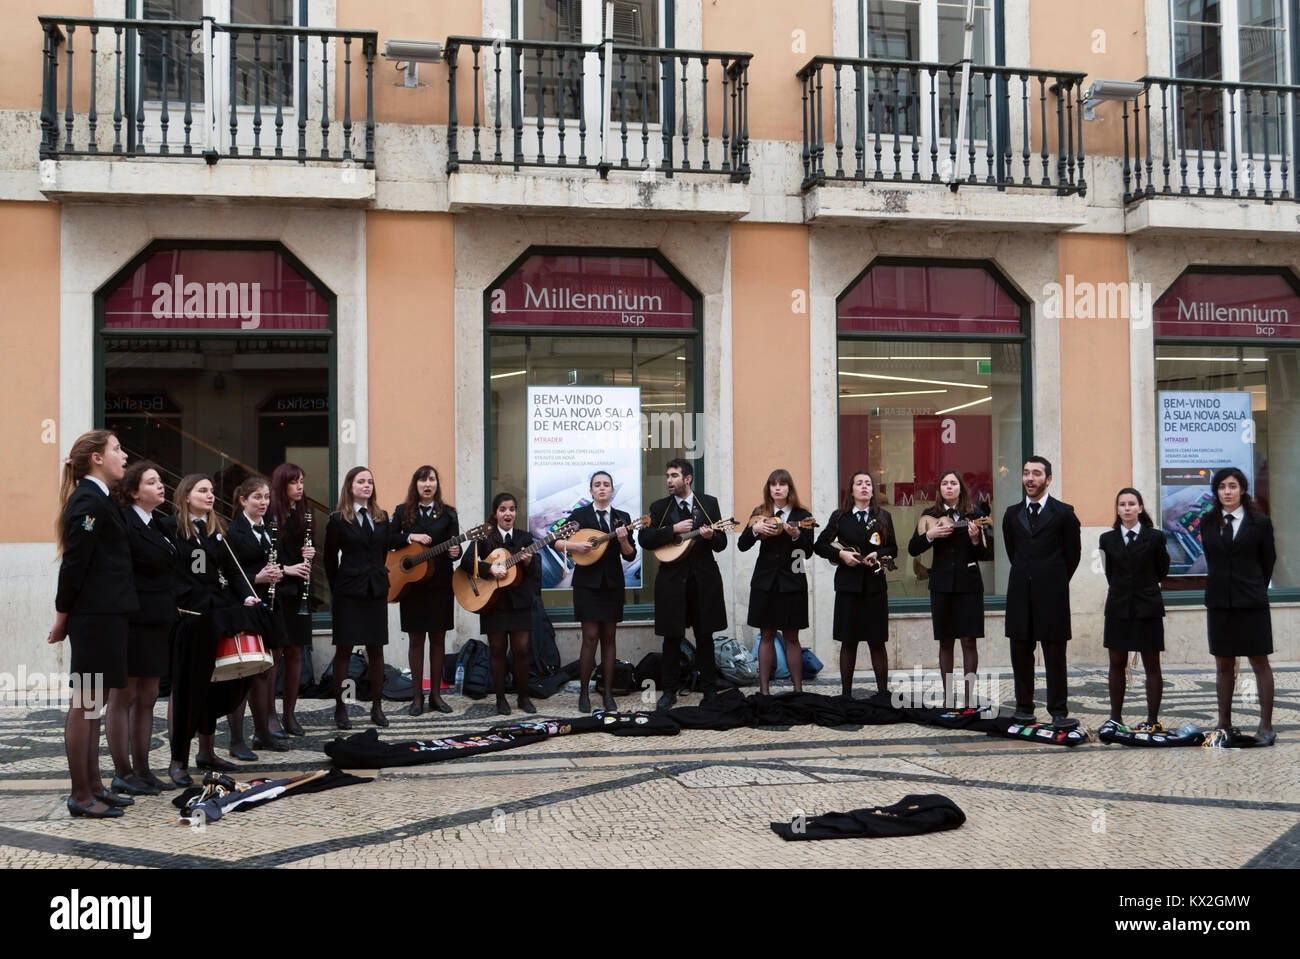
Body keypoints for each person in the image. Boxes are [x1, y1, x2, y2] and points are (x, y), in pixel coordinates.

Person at [48, 430, 137, 818]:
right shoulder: (87, 499)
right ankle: (80, 795)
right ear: (97, 459)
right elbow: (74, 564)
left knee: (94, 705)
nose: (123, 454)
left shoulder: (101, 499)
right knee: (85, 705)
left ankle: (96, 786)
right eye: (116, 448)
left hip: (107, 614)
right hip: (94, 617)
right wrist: (62, 615)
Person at [167, 474, 263, 788]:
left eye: (211, 491)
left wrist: (246, 594)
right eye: (203, 490)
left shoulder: (216, 533)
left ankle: (206, 753)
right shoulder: (173, 530)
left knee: (215, 687)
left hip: (215, 615)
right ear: (186, 495)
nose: (210, 496)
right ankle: (177, 761)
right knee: (189, 692)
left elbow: (233, 571)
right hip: (190, 618)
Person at [108, 461, 178, 796]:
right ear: (134, 491)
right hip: (133, 617)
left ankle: (144, 768)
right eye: (152, 482)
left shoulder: (162, 524)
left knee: (149, 695)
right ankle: (123, 771)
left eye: (161, 480)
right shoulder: (124, 521)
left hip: (157, 617)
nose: (161, 486)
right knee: (125, 694)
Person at [638, 458, 729, 709]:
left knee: (705, 637)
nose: (669, 480)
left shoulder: (708, 504)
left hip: (703, 581)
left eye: (674, 476)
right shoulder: (659, 508)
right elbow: (645, 538)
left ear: (687, 479)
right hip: (671, 582)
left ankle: (710, 691)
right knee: (671, 638)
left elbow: (722, 544)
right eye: (668, 476)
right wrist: (672, 529)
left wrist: (711, 536)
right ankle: (669, 691)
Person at [1001, 455, 1082, 728]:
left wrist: (1054, 580)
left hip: (1053, 596)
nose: (1030, 478)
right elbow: (1013, 551)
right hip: (1020, 594)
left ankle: (1059, 710)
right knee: (1021, 655)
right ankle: (1024, 707)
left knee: (1055, 657)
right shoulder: (1012, 514)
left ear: (1048, 479)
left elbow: (1073, 556)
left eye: (1036, 473)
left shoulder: (1064, 514)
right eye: (1026, 473)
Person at [1202, 466, 1276, 745]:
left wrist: (1254, 585)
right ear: (1216, 492)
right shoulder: (1208, 521)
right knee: (1223, 663)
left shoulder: (1260, 522)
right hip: (1220, 601)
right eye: (1222, 487)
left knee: (1259, 661)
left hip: (1252, 601)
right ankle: (1224, 723)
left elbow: (1268, 561)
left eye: (1232, 486)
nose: (1227, 491)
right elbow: (1211, 558)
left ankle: (1266, 725)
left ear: (1242, 489)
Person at [907, 470, 992, 709]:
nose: (949, 487)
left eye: (953, 483)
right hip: (942, 585)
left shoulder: (975, 514)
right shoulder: (929, 515)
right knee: (945, 642)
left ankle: (968, 697)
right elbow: (913, 548)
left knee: (969, 641)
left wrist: (976, 540)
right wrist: (930, 536)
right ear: (940, 490)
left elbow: (985, 553)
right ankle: (947, 696)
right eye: (944, 483)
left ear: (960, 488)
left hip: (969, 585)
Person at [557, 471, 637, 712]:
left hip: (612, 584)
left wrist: (623, 540)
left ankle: (608, 692)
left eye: (606, 485)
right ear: (591, 491)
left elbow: (630, 554)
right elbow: (556, 541)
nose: (602, 488)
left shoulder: (622, 518)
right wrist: (575, 545)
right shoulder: (579, 516)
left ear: (612, 490)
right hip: (586, 585)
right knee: (590, 637)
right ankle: (584, 693)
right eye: (597, 485)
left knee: (609, 637)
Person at [814, 470, 896, 698]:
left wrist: (877, 554)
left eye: (868, 483)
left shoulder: (883, 517)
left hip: (875, 587)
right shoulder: (840, 517)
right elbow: (820, 545)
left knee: (877, 642)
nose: (864, 487)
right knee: (848, 642)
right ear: (851, 490)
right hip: (848, 587)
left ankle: (882, 693)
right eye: (859, 483)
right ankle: (846, 694)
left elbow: (893, 549)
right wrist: (841, 556)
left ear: (872, 490)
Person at [324, 466, 391, 730]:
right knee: (344, 651)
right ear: (350, 486)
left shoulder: (382, 516)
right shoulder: (339, 519)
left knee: (376, 650)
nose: (366, 485)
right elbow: (329, 558)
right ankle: (341, 708)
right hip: (348, 592)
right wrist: (337, 585)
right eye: (361, 481)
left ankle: (377, 706)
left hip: (375, 590)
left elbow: (383, 552)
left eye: (370, 482)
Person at [390, 465, 462, 716]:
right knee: (416, 639)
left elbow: (456, 547)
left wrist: (457, 551)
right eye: (422, 480)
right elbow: (388, 539)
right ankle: (417, 697)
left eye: (431, 479)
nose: (427, 484)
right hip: (412, 587)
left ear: (436, 484)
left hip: (440, 584)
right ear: (416, 484)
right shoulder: (402, 512)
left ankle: (436, 696)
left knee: (439, 639)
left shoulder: (448, 513)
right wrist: (411, 537)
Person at [459, 492, 538, 715]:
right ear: (495, 513)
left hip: (519, 603)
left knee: (522, 650)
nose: (508, 513)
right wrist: (489, 568)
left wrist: (530, 561)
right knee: (497, 649)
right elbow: (466, 563)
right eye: (503, 509)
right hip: (493, 604)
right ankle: (501, 699)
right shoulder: (484, 537)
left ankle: (523, 697)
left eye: (512, 509)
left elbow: (534, 573)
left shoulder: (525, 538)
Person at [1098, 487, 1169, 733]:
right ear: (1117, 509)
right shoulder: (1107, 539)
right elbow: (1109, 572)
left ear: (1140, 507)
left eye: (1131, 504)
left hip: (1148, 606)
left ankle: (1152, 719)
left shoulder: (1156, 537)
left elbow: (1162, 569)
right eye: (1122, 504)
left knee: (1152, 664)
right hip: (1118, 606)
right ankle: (1115, 717)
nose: (1126, 508)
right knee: (1116, 662)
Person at [225, 477, 288, 754]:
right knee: (243, 673)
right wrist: (257, 577)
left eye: (266, 497)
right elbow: (228, 574)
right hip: (246, 608)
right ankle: (236, 739)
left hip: (271, 608)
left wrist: (280, 572)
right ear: (243, 501)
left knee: (266, 672)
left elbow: (275, 563)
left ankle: (263, 733)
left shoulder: (270, 529)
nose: (263, 503)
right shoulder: (233, 531)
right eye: (257, 498)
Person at [737, 468, 814, 696]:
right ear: (768, 489)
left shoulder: (802, 515)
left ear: (789, 488)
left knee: (792, 636)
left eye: (782, 484)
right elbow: (742, 545)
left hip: (792, 582)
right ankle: (764, 691)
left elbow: (809, 551)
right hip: (765, 583)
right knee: (766, 634)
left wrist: (795, 535)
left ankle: (798, 690)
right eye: (773, 484)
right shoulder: (760, 512)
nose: (777, 488)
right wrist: (754, 530)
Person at [267, 462, 316, 736]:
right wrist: (288, 569)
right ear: (282, 484)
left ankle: (290, 714)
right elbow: (266, 553)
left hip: (299, 591)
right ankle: (270, 715)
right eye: (294, 482)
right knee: (276, 653)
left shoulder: (305, 512)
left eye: (302, 481)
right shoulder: (271, 512)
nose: (300, 487)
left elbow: (306, 548)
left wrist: (309, 555)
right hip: (278, 589)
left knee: (297, 652)